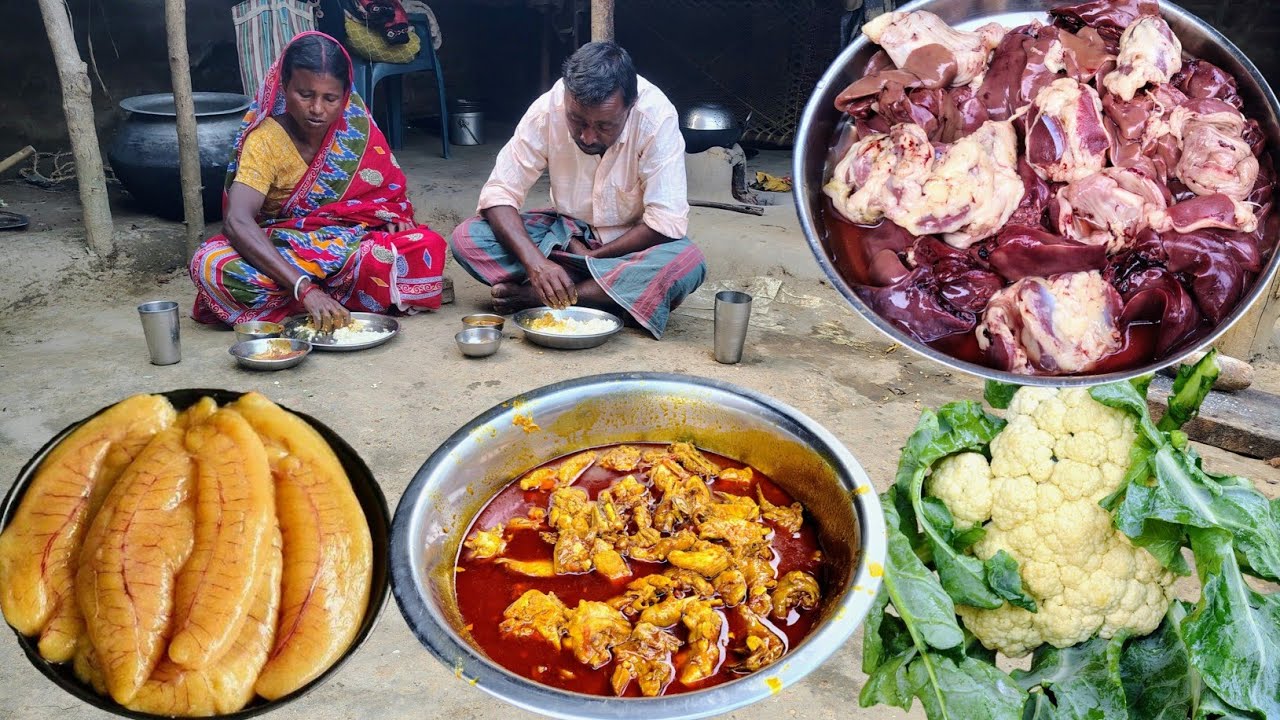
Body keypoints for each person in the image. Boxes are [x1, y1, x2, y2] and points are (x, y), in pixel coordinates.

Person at [190, 31, 447, 330]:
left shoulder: (355, 125)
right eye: (305, 94)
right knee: (209, 263)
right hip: (284, 249)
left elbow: (382, 194)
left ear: (345, 94)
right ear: (284, 86)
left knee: (424, 244)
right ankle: (324, 298)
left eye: (330, 98)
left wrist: (389, 217)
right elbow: (236, 221)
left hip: (348, 245)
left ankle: (303, 303)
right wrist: (304, 287)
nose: (317, 109)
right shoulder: (265, 141)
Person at [449, 42, 706, 339]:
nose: (587, 136)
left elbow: (665, 221)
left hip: (631, 243)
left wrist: (594, 258)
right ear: (568, 98)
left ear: (630, 105)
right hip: (565, 236)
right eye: (577, 120)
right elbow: (500, 193)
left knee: (688, 262)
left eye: (604, 125)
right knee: (467, 238)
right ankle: (611, 292)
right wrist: (537, 264)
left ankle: (537, 297)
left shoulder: (656, 117)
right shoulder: (548, 108)